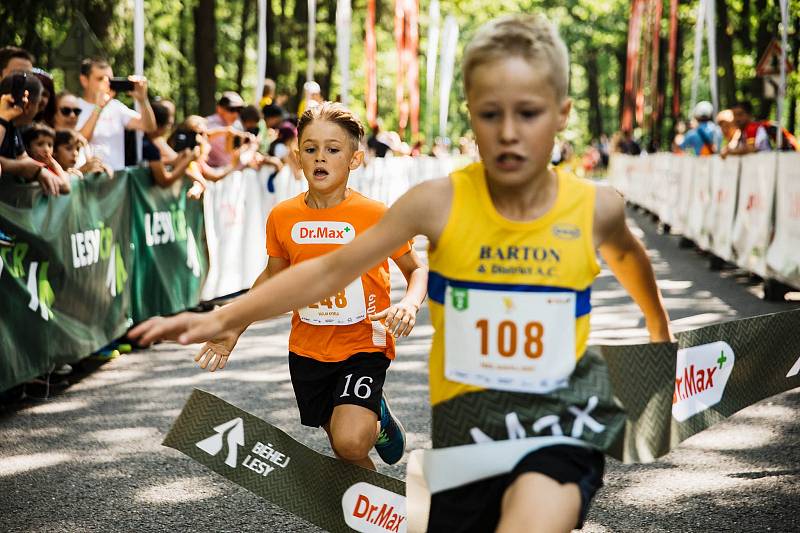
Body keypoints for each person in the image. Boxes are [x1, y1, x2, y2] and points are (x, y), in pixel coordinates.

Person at [130, 14, 672, 531]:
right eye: (490, 113)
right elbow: (323, 274)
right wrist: (225, 318)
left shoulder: (595, 206)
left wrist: (660, 336)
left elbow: (629, 258)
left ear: (561, 113)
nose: (508, 131)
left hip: (560, 417)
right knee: (364, 455)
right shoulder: (433, 202)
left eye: (528, 112)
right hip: (470, 428)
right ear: (473, 114)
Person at [139, 102, 428, 470]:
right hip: (308, 350)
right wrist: (232, 327)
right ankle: (370, 490)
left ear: (355, 160)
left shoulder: (374, 215)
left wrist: (410, 304)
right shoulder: (284, 216)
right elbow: (271, 278)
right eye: (310, 149)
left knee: (351, 440)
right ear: (298, 156)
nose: (320, 158)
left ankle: (376, 431)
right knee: (342, 446)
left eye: (333, 149)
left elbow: (415, 270)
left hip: (363, 344)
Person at [75, 58, 157, 171]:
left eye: (110, 79)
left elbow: (149, 127)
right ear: (84, 80)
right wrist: (99, 107)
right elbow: (78, 142)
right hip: (88, 179)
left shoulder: (116, 107)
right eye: (100, 79)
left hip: (116, 181)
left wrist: (143, 100)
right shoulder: (73, 107)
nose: (106, 83)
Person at [0, 72, 63, 195]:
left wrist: (44, 170)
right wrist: (3, 118)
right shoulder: (5, 122)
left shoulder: (13, 127)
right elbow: (24, 165)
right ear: (28, 106)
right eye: (39, 104)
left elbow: (25, 161)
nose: (39, 110)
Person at [143, 100, 199, 188]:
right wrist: (188, 160)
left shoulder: (139, 138)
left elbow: (155, 162)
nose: (169, 128)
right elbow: (164, 181)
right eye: (169, 124)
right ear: (159, 126)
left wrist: (179, 158)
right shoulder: (150, 148)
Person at [22, 123, 72, 192]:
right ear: (28, 147)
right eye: (40, 144)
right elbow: (65, 187)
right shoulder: (29, 167)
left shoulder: (48, 167)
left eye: (50, 145)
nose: (46, 149)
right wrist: (53, 163)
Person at [205, 91, 245, 169]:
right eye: (232, 109)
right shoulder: (210, 124)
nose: (236, 114)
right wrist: (251, 148)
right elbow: (228, 159)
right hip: (213, 172)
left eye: (239, 109)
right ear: (219, 108)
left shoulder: (236, 124)